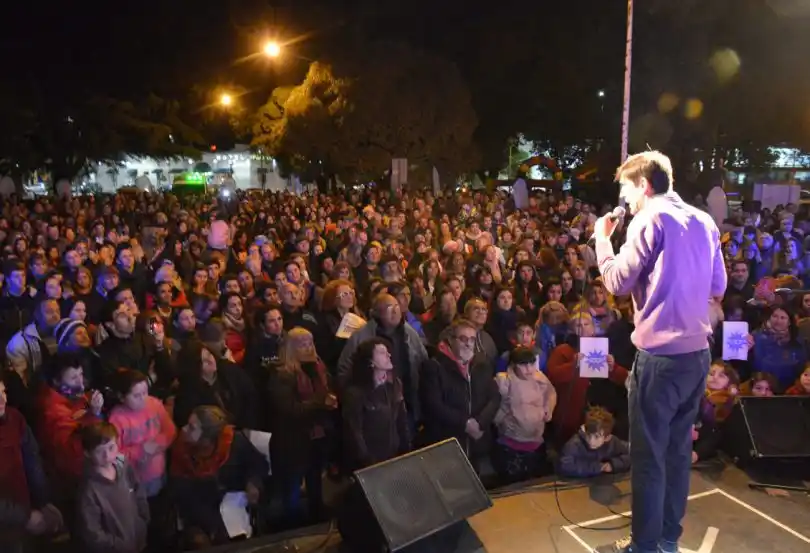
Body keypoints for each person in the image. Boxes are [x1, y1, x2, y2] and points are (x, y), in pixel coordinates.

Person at [592, 151, 726, 553]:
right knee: (677, 453)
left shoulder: (649, 218)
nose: (625, 199)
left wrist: (602, 239)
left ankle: (645, 546)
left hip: (660, 361)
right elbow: (718, 285)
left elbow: (616, 281)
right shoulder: (704, 221)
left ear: (644, 185)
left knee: (649, 459)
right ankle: (667, 539)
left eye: (626, 189)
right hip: (697, 356)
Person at [76, 421, 149, 553]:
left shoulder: (124, 465)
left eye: (111, 447)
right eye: (99, 451)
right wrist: (120, 545)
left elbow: (138, 490)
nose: (107, 456)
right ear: (87, 453)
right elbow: (93, 534)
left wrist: (142, 521)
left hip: (138, 540)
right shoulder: (89, 490)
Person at [558, 406, 630, 478]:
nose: (591, 441)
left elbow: (630, 456)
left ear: (607, 438)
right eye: (589, 435)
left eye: (596, 437)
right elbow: (564, 466)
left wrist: (613, 464)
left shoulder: (613, 443)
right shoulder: (574, 444)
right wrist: (598, 467)